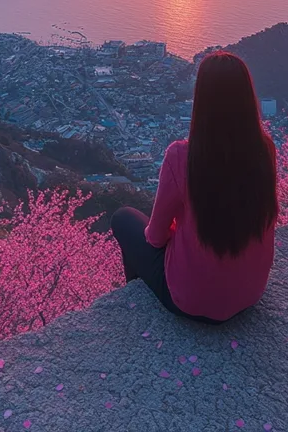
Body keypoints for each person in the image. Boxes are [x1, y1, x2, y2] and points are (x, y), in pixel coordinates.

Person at [110, 51, 278, 324]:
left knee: (123, 218)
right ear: (248, 98)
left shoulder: (182, 156)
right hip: (250, 293)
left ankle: (138, 307)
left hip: (190, 299)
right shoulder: (266, 150)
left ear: (202, 100)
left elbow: (155, 237)